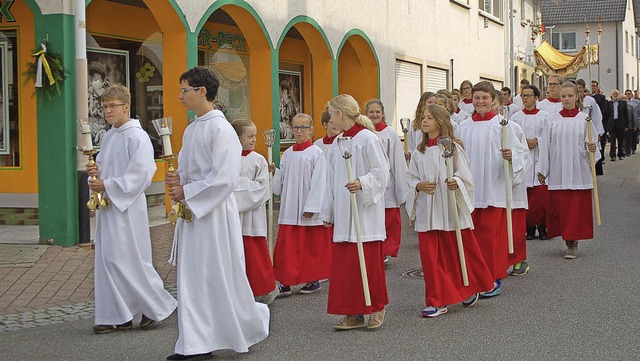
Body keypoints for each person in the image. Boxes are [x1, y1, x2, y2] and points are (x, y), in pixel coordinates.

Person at [166, 66, 269, 360]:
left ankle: (216, 336)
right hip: (194, 213)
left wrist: (188, 191)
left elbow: (224, 177)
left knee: (211, 276)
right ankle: (195, 342)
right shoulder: (193, 127)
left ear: (202, 91)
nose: (180, 96)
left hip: (213, 214)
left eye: (185, 90)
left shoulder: (221, 128)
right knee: (194, 277)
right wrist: (178, 180)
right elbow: (190, 168)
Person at [87, 84, 177, 335]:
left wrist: (107, 184)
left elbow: (142, 174)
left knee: (128, 259)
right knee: (108, 260)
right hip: (109, 207)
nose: (107, 111)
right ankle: (118, 315)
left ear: (126, 106)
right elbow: (105, 169)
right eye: (104, 106)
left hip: (128, 208)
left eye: (112, 106)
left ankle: (156, 305)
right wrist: (95, 174)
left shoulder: (137, 136)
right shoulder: (108, 136)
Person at [406, 104, 494, 317]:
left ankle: (468, 287)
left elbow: (465, 176)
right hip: (429, 209)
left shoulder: (452, 148)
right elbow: (410, 178)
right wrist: (418, 186)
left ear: (440, 121)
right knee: (431, 258)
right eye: (423, 117)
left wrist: (456, 182)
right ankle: (437, 300)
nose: (424, 121)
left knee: (458, 253)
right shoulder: (420, 151)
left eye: (429, 118)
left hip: (449, 207)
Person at [321, 94, 389, 331]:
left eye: (331, 113)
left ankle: (377, 306)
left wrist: (362, 182)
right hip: (343, 211)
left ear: (340, 113)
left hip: (363, 212)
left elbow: (381, 171)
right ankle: (354, 312)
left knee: (367, 262)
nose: (330, 118)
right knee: (347, 267)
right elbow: (329, 179)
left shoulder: (368, 139)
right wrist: (328, 211)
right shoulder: (338, 142)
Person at [457, 81, 528, 298]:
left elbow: (521, 153)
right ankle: (473, 279)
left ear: (493, 101)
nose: (480, 101)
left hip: (494, 188)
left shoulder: (504, 126)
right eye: (476, 98)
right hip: (470, 189)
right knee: (472, 237)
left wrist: (511, 157)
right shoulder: (464, 126)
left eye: (484, 98)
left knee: (491, 238)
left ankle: (493, 278)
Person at [537, 81, 600, 259]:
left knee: (576, 208)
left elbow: (592, 144)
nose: (566, 99)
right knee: (563, 208)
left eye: (570, 96)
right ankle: (567, 239)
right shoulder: (552, 120)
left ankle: (573, 242)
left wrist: (592, 149)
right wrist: (543, 170)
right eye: (563, 96)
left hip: (578, 170)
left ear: (576, 97)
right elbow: (546, 147)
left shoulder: (584, 120)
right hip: (558, 170)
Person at [272, 113, 331, 296]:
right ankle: (285, 281)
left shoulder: (316, 153)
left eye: (303, 128)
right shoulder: (288, 154)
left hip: (306, 206)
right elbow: (281, 181)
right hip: (290, 207)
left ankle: (312, 279)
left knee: (309, 247)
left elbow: (320, 181)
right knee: (287, 247)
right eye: (295, 127)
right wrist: (273, 172)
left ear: (311, 129)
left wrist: (312, 206)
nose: (299, 131)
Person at [231, 119, 278, 304]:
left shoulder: (258, 159)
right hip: (232, 217)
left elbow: (262, 188)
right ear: (237, 137)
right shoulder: (227, 158)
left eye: (255, 136)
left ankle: (262, 291)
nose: (254, 140)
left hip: (251, 217)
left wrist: (235, 188)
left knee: (255, 256)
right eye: (249, 136)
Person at [365, 99, 410, 263]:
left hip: (388, 183)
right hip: (369, 182)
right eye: (371, 112)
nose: (375, 115)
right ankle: (374, 247)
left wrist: (401, 186)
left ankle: (386, 249)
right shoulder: (364, 133)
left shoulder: (390, 133)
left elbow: (397, 159)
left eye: (378, 111)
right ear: (366, 114)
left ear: (383, 113)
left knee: (389, 218)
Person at [494, 91, 532, 277]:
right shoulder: (472, 127)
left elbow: (524, 155)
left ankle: (518, 259)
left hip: (511, 187)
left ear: (500, 105)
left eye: (493, 101)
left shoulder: (513, 128)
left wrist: (512, 162)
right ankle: (497, 262)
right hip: (491, 187)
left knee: (514, 227)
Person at [510, 85, 550, 244]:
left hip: (539, 157)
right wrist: (524, 142)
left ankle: (542, 227)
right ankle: (530, 228)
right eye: (523, 95)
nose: (525, 98)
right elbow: (512, 137)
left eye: (529, 95)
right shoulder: (515, 117)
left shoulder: (545, 116)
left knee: (540, 196)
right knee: (526, 194)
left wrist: (537, 141)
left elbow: (547, 137)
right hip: (524, 159)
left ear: (536, 97)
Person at [408, 92, 437, 157]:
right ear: (423, 104)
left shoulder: (439, 123)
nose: (433, 104)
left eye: (435, 102)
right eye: (430, 102)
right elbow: (411, 146)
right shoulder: (414, 125)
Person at [591, 80, 610, 173]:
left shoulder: (601, 98)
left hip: (598, 123)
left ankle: (600, 159)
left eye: (594, 86)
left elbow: (603, 112)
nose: (592, 87)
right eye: (591, 86)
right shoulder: (588, 97)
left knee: (599, 144)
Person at [608, 89, 629, 161]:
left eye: (616, 93)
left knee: (621, 140)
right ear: (611, 95)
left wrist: (626, 125)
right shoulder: (609, 103)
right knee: (612, 141)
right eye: (614, 93)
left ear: (619, 95)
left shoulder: (623, 103)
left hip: (621, 124)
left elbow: (626, 115)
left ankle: (621, 154)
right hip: (612, 124)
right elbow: (607, 114)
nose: (615, 95)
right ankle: (613, 155)